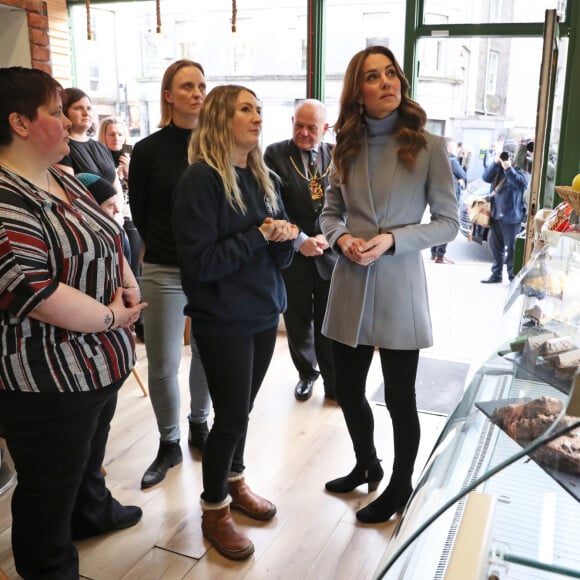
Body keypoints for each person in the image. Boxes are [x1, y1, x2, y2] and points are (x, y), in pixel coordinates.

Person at [0, 66, 147, 579]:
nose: (68, 124)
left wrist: (127, 279)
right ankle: (49, 568)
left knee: (87, 456)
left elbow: (106, 234)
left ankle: (91, 513)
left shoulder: (61, 174)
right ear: (19, 122)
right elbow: (35, 292)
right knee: (48, 482)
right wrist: (115, 316)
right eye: (56, 113)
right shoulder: (4, 197)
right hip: (46, 375)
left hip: (99, 361)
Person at [319, 46, 458, 524]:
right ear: (358, 91)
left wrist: (392, 239)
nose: (387, 82)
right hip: (351, 280)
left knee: (401, 397)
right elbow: (330, 214)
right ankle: (366, 462)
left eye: (391, 73)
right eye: (374, 77)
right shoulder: (344, 147)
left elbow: (448, 224)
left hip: (400, 282)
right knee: (347, 388)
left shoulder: (429, 147)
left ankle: (401, 485)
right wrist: (341, 241)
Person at [173, 84, 297, 560]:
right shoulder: (200, 181)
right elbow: (200, 265)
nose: (257, 116)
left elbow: (279, 257)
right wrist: (260, 235)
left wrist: (284, 238)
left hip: (265, 310)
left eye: (260, 109)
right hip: (222, 317)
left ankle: (235, 480)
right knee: (228, 419)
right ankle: (214, 509)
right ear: (222, 118)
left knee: (242, 411)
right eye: (246, 109)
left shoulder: (264, 177)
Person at [128, 60, 212, 489]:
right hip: (163, 267)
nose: (197, 93)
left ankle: (201, 424)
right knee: (162, 363)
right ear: (168, 95)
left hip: (211, 268)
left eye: (201, 85)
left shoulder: (216, 145)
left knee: (207, 353)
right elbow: (140, 212)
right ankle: (169, 441)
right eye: (187, 86)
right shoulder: (148, 150)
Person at [264, 99, 337, 402]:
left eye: (311, 128)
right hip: (293, 251)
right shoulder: (275, 154)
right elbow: (271, 203)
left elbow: (347, 204)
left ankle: (334, 381)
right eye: (299, 125)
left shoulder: (339, 155)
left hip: (331, 251)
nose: (304, 133)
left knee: (328, 322)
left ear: (325, 128)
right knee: (297, 320)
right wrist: (301, 239)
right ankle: (307, 373)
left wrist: (329, 236)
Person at [99, 116, 144, 339]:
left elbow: (140, 192)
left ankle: (140, 323)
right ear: (104, 136)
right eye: (111, 134)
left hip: (130, 218)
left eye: (119, 133)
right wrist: (115, 175)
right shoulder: (101, 159)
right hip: (109, 219)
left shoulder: (133, 156)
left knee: (135, 269)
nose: (116, 138)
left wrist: (129, 173)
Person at [56, 88, 123, 198]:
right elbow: (70, 194)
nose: (86, 113)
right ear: (65, 111)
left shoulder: (101, 147)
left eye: (89, 108)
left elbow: (117, 189)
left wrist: (116, 212)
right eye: (78, 108)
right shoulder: (62, 148)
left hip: (113, 213)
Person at [480, 139, 528, 284]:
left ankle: (513, 277)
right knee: (496, 248)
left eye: (510, 153)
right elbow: (485, 178)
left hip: (512, 216)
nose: (508, 156)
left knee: (512, 250)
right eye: (505, 153)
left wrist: (508, 168)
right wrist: (496, 162)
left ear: (515, 154)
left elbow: (521, 184)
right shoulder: (497, 167)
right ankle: (496, 275)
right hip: (495, 214)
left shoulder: (519, 167)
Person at [76, 172, 132, 263]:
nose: (117, 210)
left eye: (115, 204)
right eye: (110, 206)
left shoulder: (118, 234)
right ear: (90, 209)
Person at [430, 138, 466, 263]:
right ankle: (440, 256)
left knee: (436, 225)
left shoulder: (438, 160)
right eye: (455, 147)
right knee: (448, 226)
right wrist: (460, 177)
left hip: (437, 198)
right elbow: (463, 174)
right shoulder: (452, 160)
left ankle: (434, 253)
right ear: (449, 148)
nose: (456, 149)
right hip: (450, 199)